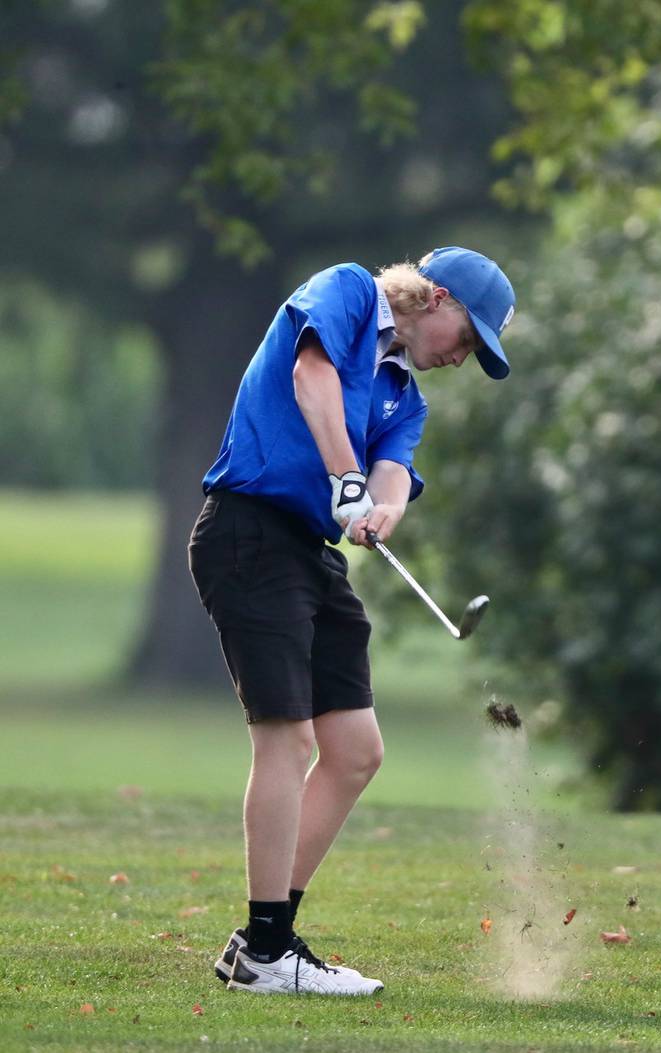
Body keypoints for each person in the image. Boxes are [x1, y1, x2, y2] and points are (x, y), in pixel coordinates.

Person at [188, 246, 515, 996]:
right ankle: (267, 952)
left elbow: (394, 468)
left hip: (309, 551)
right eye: (468, 337)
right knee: (288, 734)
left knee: (356, 749)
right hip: (248, 530)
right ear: (434, 297)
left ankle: (262, 942)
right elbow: (312, 378)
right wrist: (345, 475)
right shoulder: (347, 293)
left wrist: (383, 506)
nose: (463, 358)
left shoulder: (407, 394)